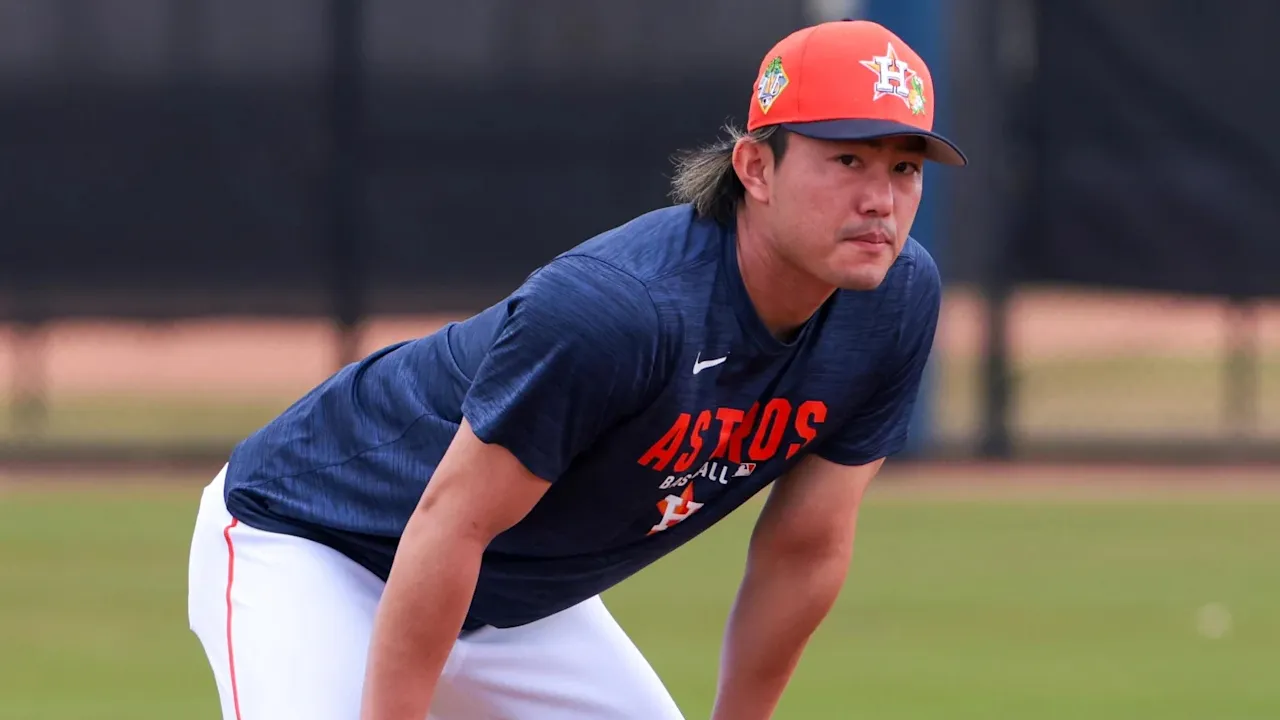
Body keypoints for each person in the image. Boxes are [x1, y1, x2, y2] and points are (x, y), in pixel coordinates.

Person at [186, 18, 967, 720]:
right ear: (756, 169)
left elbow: (806, 545)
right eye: (848, 159)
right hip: (316, 540)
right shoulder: (620, 310)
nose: (881, 199)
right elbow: (448, 523)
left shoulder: (892, 302)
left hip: (510, 596)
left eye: (905, 168)